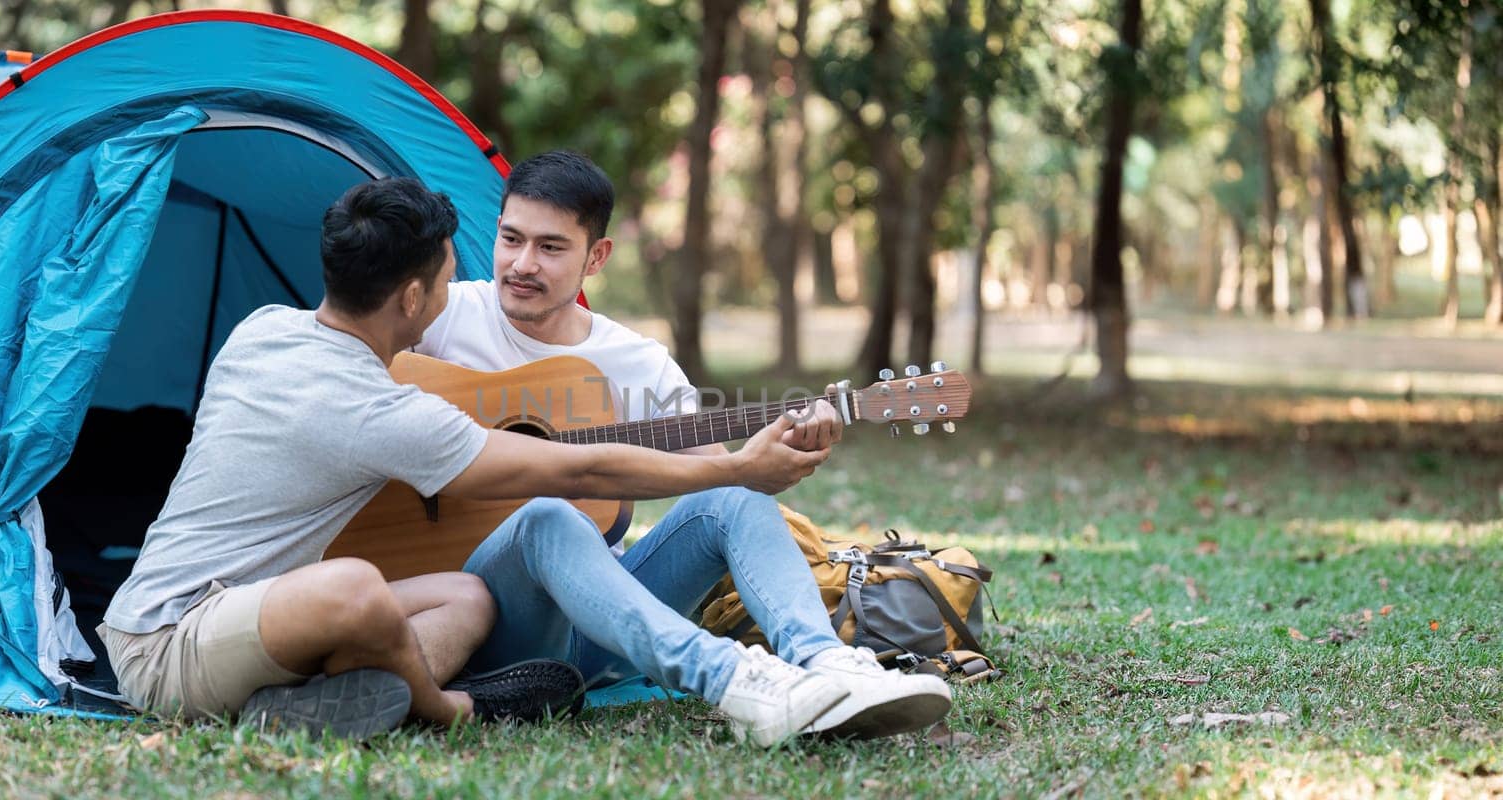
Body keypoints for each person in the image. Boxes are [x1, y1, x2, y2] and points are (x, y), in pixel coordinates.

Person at [99, 177, 833, 741]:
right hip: (167, 642)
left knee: (467, 597)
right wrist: (737, 468)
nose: (467, 290)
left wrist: (734, 470)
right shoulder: (378, 411)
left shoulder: (262, 328)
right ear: (414, 297)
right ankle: (445, 708)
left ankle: (307, 704)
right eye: (450, 281)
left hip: (251, 616)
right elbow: (573, 474)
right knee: (352, 585)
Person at [412, 151, 953, 745]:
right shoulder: (441, 318)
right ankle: (743, 685)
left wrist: (763, 464)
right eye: (510, 238)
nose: (522, 264)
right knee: (548, 515)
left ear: (597, 256)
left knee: (733, 499)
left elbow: (720, 477)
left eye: (550, 247)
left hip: (594, 631)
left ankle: (827, 668)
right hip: (471, 618)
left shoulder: (636, 363)